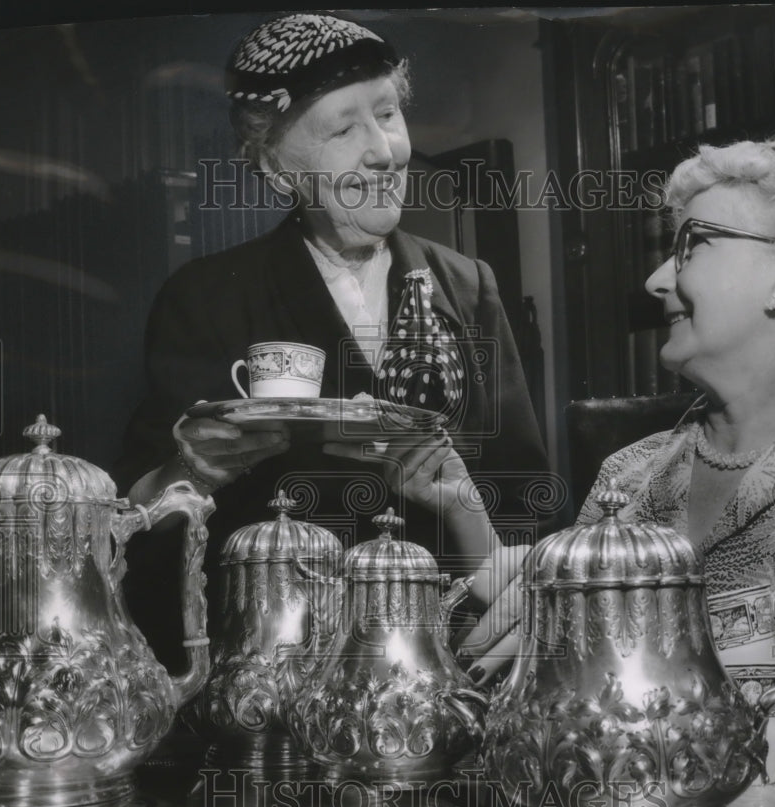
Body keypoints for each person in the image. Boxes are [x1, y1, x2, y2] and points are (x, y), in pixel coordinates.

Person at [387, 133, 775, 755]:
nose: (656, 278)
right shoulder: (632, 471)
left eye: (695, 244)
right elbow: (534, 655)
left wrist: (587, 623)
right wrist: (465, 514)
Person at [112, 13, 549, 668]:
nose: (385, 150)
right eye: (345, 128)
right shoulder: (206, 297)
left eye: (388, 114)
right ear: (275, 165)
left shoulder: (468, 286)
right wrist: (192, 471)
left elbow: (524, 509)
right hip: (277, 672)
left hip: (441, 668)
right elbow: (136, 532)